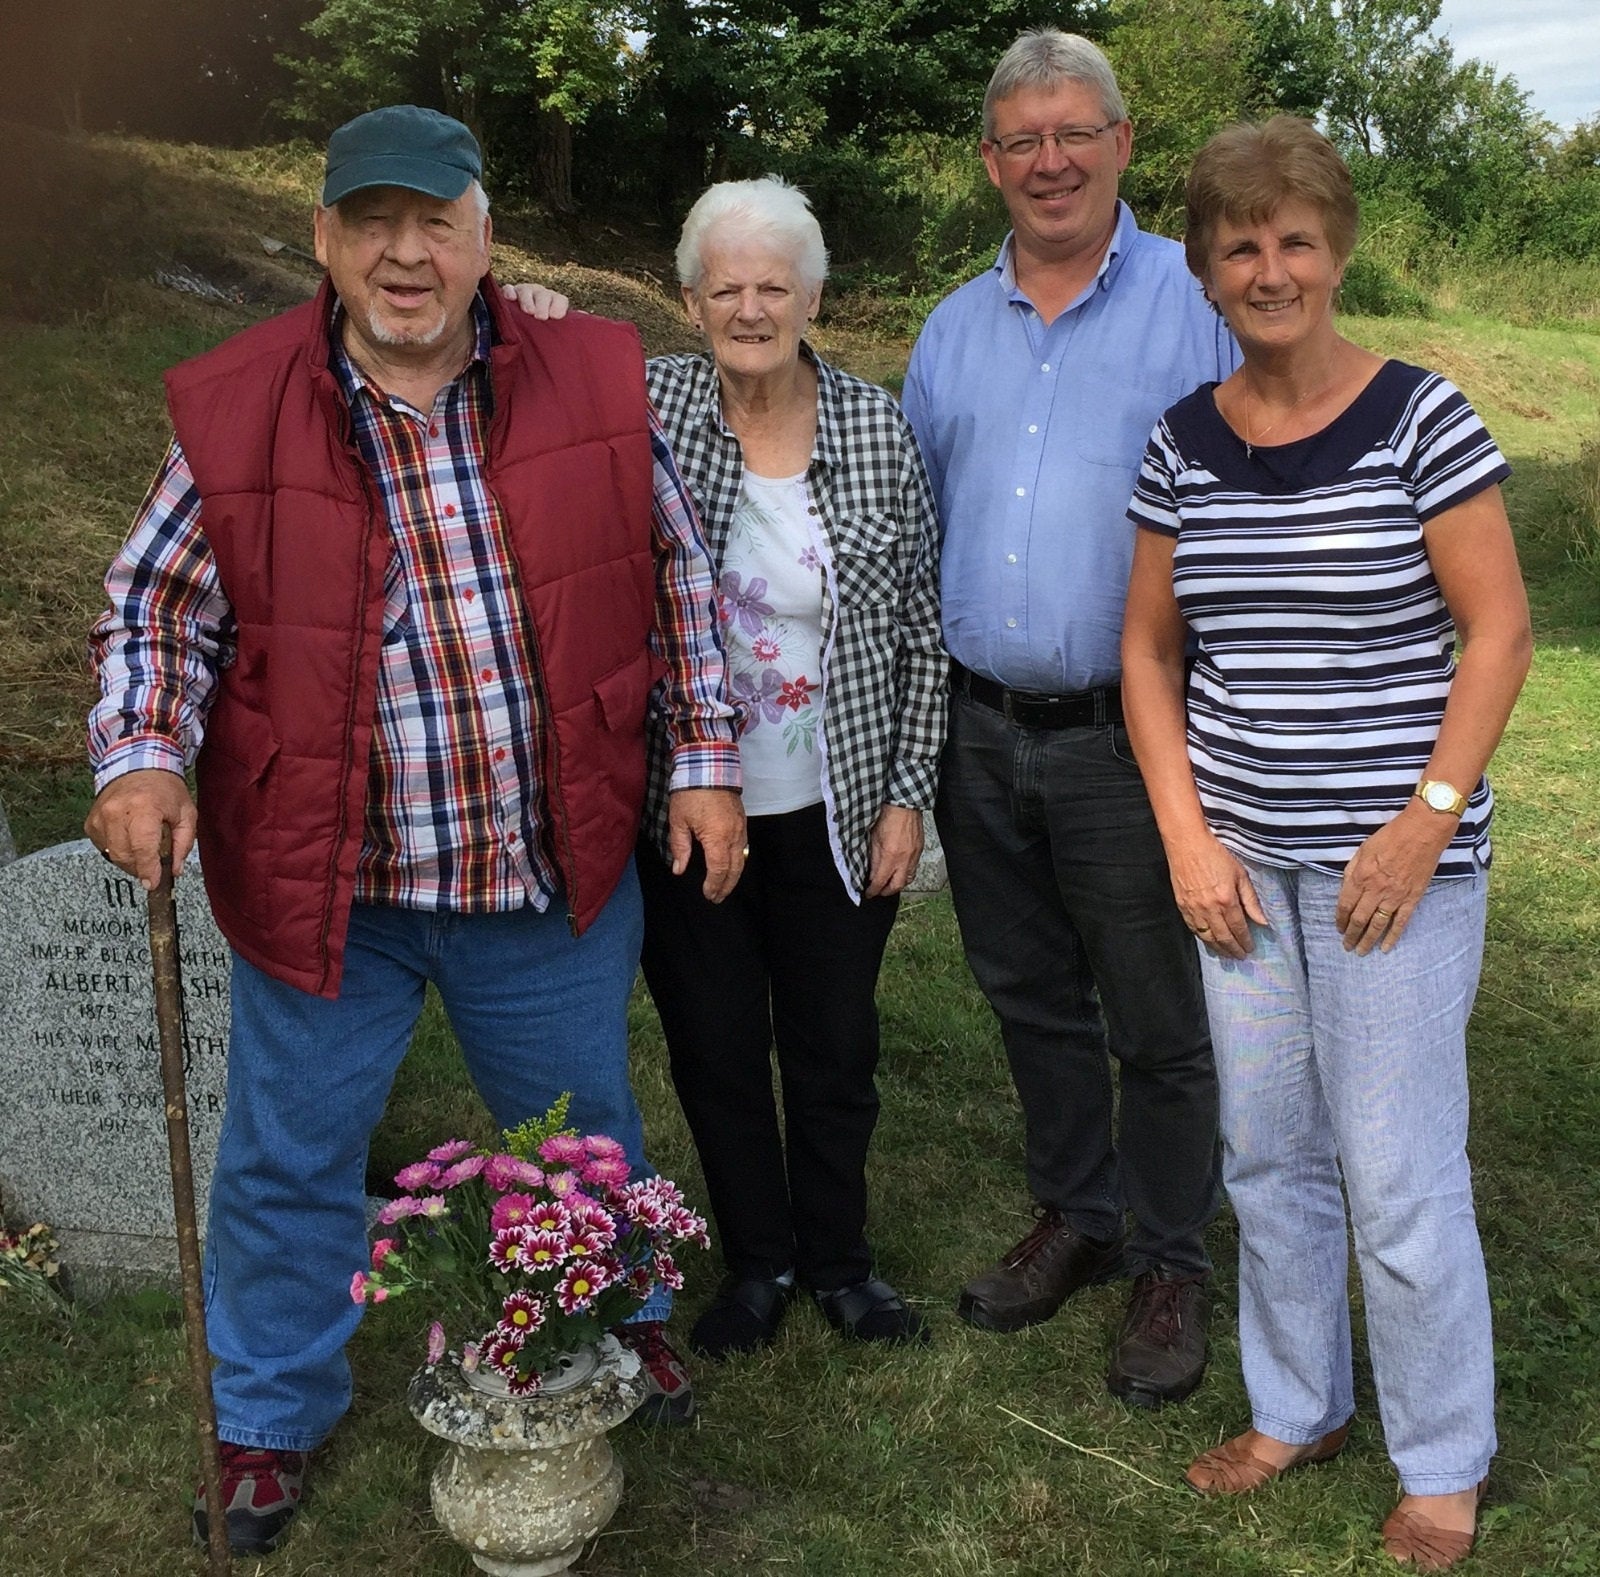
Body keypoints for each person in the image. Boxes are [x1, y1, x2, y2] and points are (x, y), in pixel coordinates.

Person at [84, 105, 744, 1557]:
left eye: (433, 218)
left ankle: (617, 1330)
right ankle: (266, 1411)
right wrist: (140, 754)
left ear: (483, 236)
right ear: (321, 240)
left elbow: (679, 588)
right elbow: (157, 609)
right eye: (369, 221)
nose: (403, 251)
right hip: (336, 892)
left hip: (540, 872)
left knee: (578, 1144)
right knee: (287, 1157)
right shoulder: (238, 405)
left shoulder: (589, 378)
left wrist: (700, 767)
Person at [1121, 116, 1531, 1571]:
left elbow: (1498, 632)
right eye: (1241, 243)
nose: (1271, 266)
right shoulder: (1183, 440)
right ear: (1206, 266)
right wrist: (1186, 836)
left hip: (1389, 880)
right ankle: (1299, 1405)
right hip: (1239, 872)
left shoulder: (1423, 417)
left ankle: (1443, 1462)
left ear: (1337, 250)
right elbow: (1149, 656)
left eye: (1296, 238)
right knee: (1267, 1153)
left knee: (1398, 1169)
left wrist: (1422, 825)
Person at [513, 176, 947, 1353]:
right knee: (711, 1041)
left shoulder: (873, 424)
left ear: (812, 296)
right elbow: (512, 384)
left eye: (774, 285)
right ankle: (756, 1261)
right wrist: (528, 310)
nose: (750, 307)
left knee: (833, 1042)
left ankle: (842, 1260)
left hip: (835, 798)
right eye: (726, 286)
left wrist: (908, 795)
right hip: (683, 805)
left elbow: (918, 626)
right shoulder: (638, 402)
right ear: (689, 298)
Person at [900, 29, 1237, 1407]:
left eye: (1074, 133)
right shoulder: (949, 327)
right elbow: (918, 513)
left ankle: (1170, 1256)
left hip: (1131, 730)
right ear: (991, 162)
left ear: (1123, 144)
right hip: (980, 728)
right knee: (1028, 992)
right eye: (1022, 140)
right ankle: (1077, 1215)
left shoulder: (1198, 303)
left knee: (1157, 1014)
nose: (1049, 161)